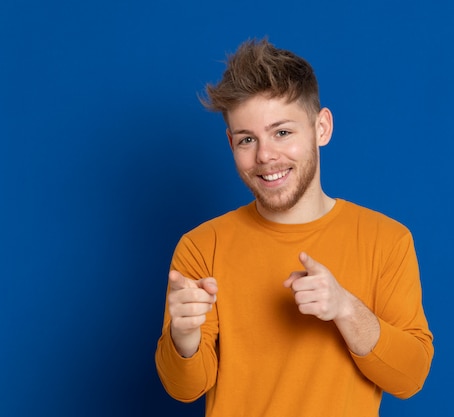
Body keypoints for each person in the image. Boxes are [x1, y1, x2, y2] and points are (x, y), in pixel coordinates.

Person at [155, 38, 434, 417]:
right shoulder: (202, 246)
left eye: (282, 132)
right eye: (247, 140)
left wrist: (345, 308)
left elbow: (410, 377)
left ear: (322, 128)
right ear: (230, 143)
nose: (265, 155)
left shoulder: (386, 240)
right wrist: (183, 338)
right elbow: (185, 389)